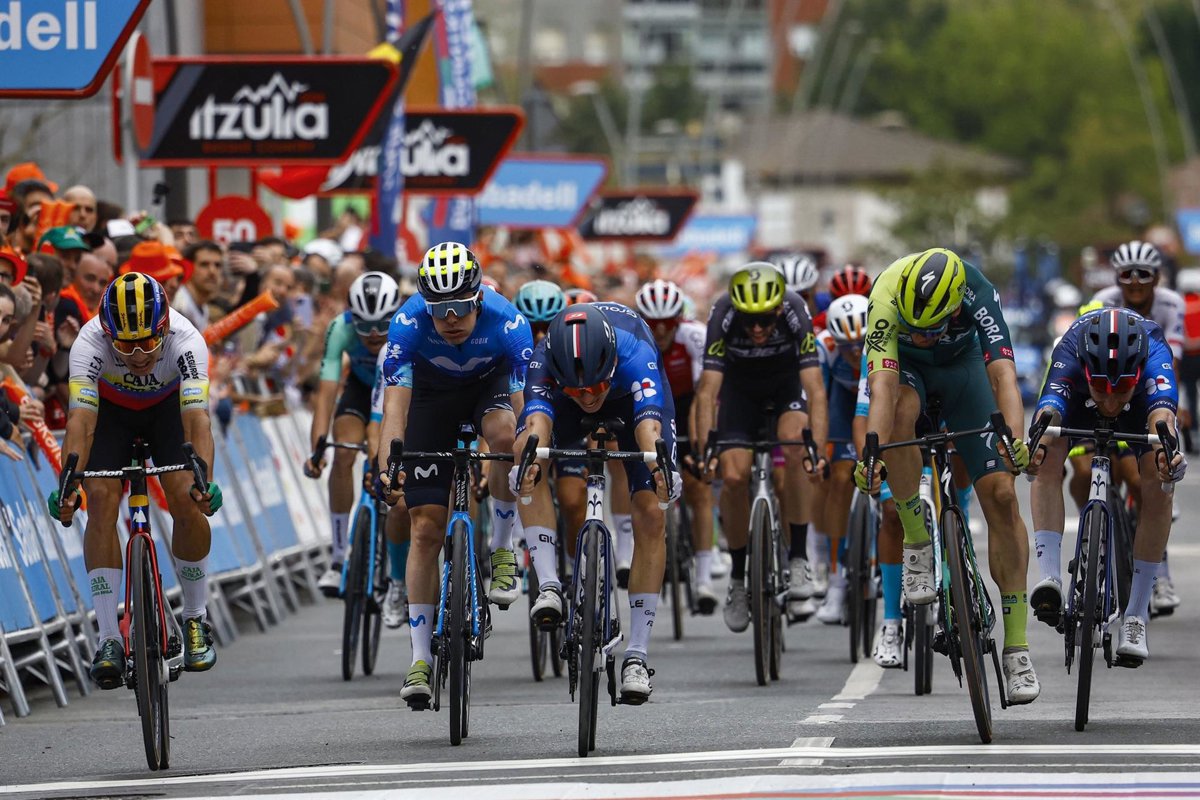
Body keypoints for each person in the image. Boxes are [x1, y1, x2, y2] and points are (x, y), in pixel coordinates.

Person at [855, 247, 1039, 704]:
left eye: (930, 329)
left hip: (964, 368)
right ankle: (918, 540)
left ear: (956, 308)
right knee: (900, 414)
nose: (921, 337)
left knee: (1002, 496)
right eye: (913, 329)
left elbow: (1003, 378)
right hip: (906, 374)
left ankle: (1017, 650)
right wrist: (871, 454)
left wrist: (1014, 440)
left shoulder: (977, 291)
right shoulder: (885, 296)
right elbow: (881, 389)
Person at [374, 242, 531, 708]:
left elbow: (526, 409)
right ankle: (420, 659)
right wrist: (388, 471)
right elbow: (394, 415)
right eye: (439, 308)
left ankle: (502, 548)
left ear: (478, 297)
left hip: (489, 389)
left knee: (505, 437)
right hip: (431, 399)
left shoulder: (508, 322)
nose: (450, 319)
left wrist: (528, 457)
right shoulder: (406, 326)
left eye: (460, 307)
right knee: (424, 528)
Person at [47, 273, 223, 687]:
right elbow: (81, 422)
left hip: (167, 411)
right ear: (108, 335)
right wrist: (68, 485)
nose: (139, 354)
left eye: (147, 341)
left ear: (164, 327)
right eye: (125, 345)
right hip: (112, 414)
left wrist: (204, 481)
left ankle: (195, 617)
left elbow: (197, 419)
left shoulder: (186, 339)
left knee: (185, 497)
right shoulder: (89, 343)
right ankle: (109, 636)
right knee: (101, 500)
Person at [513, 302, 678, 703]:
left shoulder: (635, 351)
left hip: (631, 402)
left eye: (594, 387)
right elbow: (537, 424)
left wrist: (659, 471)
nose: (587, 397)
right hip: (562, 407)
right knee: (527, 460)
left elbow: (649, 425)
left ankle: (637, 655)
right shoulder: (544, 359)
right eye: (576, 390)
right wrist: (529, 464)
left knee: (651, 512)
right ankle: (549, 584)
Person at [1026, 307, 1184, 662]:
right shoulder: (1071, 349)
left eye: (1121, 388)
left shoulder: (1155, 353)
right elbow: (1049, 408)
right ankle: (1050, 578)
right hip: (1079, 403)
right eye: (1102, 387)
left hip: (1140, 409)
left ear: (1137, 374)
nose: (1111, 401)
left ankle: (1136, 615)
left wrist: (1166, 454)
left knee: (1158, 483)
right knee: (1047, 454)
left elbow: (1162, 416)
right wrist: (1037, 444)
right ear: (1086, 369)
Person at [693, 264, 829, 633]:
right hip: (739, 392)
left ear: (778, 310)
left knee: (797, 447)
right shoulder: (723, 312)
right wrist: (707, 451)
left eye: (765, 320)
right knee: (733, 477)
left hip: (786, 388)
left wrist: (817, 450)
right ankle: (738, 579)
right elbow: (707, 392)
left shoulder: (795, 309)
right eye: (749, 320)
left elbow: (815, 390)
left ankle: (798, 558)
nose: (756, 329)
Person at [1092, 240, 1185, 615]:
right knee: (1081, 473)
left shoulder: (1170, 304)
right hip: (1107, 391)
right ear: (1116, 277)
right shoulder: (1103, 300)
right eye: (1126, 274)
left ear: (1157, 278)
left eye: (1143, 274)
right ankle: (1097, 538)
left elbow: (1172, 363)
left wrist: (1176, 407)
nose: (1134, 281)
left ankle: (1160, 573)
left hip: (1150, 389)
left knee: (1142, 479)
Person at [305, 272, 404, 595]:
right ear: (352, 318)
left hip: (399, 389)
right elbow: (326, 395)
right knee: (343, 451)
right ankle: (337, 559)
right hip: (361, 388)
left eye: (382, 324)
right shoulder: (340, 328)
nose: (373, 333)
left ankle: (398, 563)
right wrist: (318, 448)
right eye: (365, 326)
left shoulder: (407, 327)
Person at [635, 278, 718, 612]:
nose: (661, 330)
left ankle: (704, 577)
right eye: (654, 323)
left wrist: (698, 449)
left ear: (678, 320)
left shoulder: (694, 336)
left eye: (668, 323)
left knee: (699, 487)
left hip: (686, 407)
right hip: (649, 407)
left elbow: (703, 398)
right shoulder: (635, 337)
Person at [174, 241, 224, 331]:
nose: (212, 271)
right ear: (188, 269)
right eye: (204, 264)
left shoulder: (204, 309)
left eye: (217, 265)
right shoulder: (176, 303)